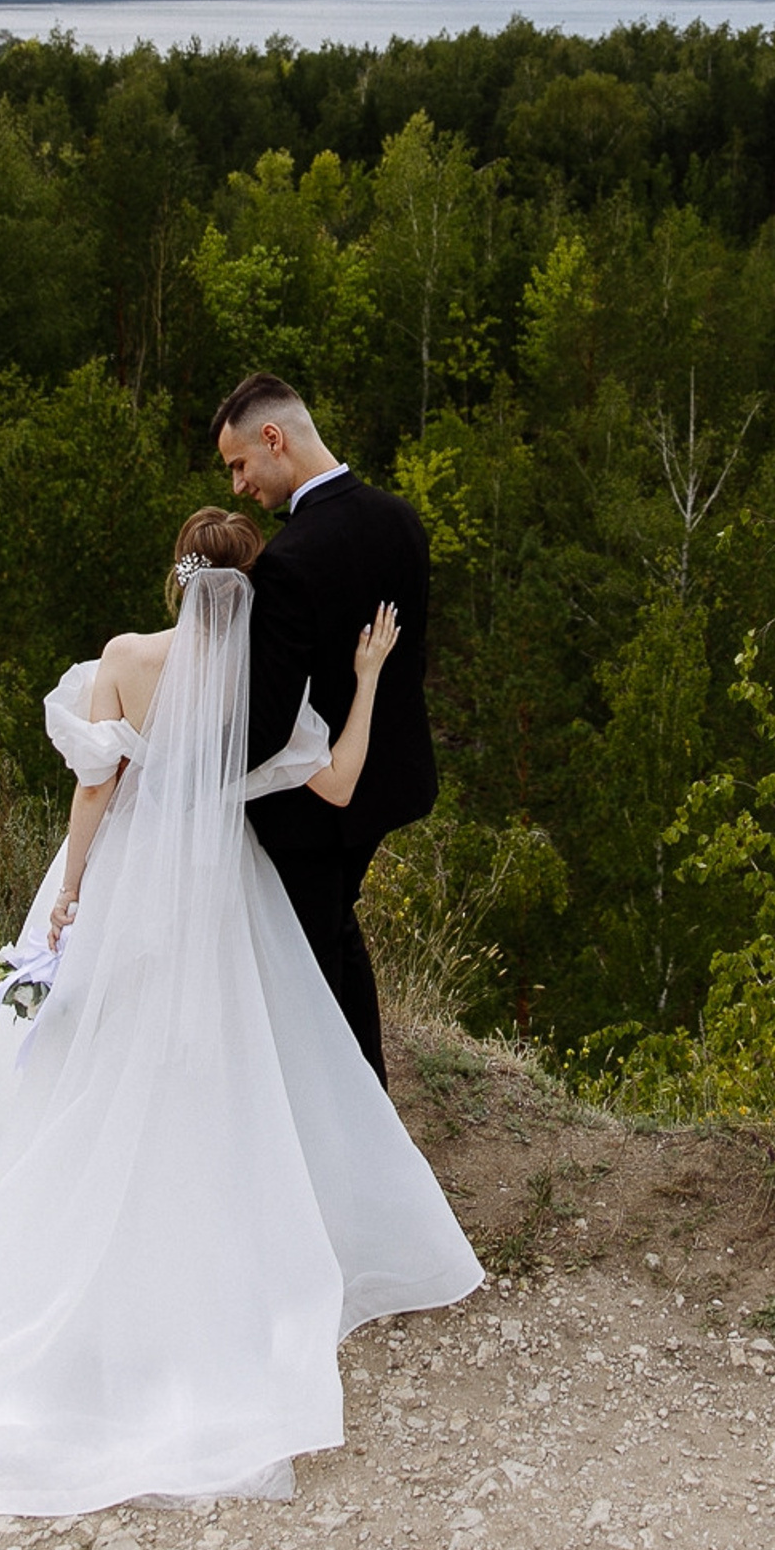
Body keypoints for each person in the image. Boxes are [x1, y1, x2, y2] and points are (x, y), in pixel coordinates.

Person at [0, 507, 482, 1517]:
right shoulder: (263, 688)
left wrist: (73, 893)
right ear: (251, 589)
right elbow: (340, 784)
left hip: (130, 879)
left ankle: (78, 1204)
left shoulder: (126, 658)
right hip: (223, 893)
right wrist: (370, 674)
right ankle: (203, 1239)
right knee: (218, 1061)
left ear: (178, 576)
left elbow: (94, 792)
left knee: (97, 1050)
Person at [214, 373, 434, 1081]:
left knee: (306, 959)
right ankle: (366, 1097)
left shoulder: (289, 561)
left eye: (240, 465)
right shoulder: (401, 520)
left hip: (311, 807)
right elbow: (409, 663)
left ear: (273, 438)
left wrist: (195, 771)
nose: (240, 486)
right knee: (335, 931)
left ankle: (338, 1107)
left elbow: (269, 723)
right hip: (385, 784)